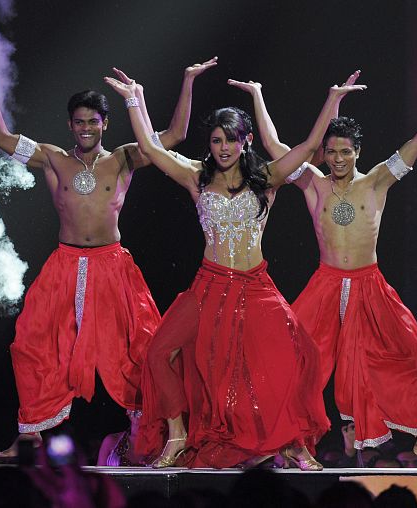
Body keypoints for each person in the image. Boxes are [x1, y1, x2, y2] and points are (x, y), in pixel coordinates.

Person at [104, 68, 366, 469]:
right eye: (215, 140)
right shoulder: (196, 177)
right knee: (159, 352)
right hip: (208, 287)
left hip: (255, 287)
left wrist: (334, 99)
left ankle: (293, 442)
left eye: (230, 139)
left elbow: (312, 144)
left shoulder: (267, 178)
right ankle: (177, 437)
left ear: (245, 142)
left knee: (297, 356)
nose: (223, 147)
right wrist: (134, 98)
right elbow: (152, 149)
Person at [0, 57, 218, 456]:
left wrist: (187, 80)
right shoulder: (52, 158)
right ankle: (30, 434)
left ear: (105, 124)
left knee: (141, 343)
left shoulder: (125, 157)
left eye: (93, 121)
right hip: (63, 265)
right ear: (70, 125)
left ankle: (152, 428)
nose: (86, 128)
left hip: (113, 265)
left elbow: (176, 134)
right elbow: (1, 137)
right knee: (30, 342)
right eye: (79, 122)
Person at [228, 75, 417, 467]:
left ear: (357, 152)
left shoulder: (377, 182)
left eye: (344, 152)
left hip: (370, 287)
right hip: (326, 284)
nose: (337, 159)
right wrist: (262, 95)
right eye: (330, 152)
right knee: (293, 358)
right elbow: (276, 147)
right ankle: (287, 442)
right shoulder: (314, 184)